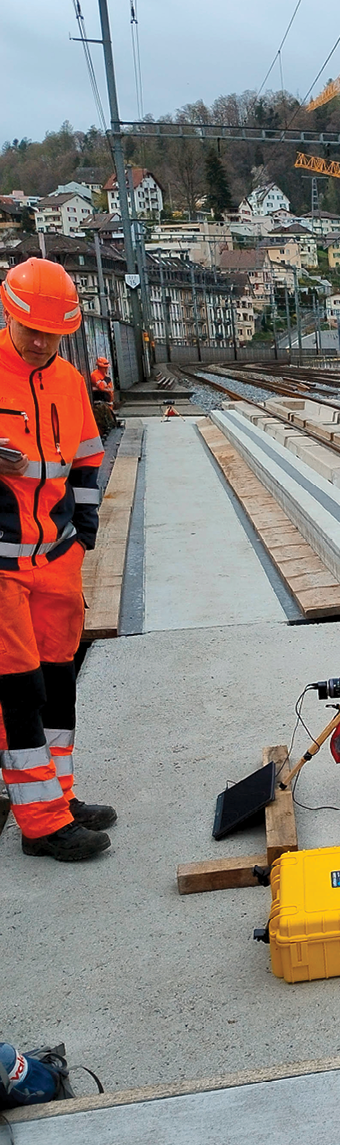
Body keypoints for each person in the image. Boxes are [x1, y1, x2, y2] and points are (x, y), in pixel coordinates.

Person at [0, 257, 115, 862]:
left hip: (56, 556)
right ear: (10, 315)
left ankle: (60, 796)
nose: (42, 342)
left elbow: (89, 454)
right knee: (18, 689)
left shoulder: (69, 380)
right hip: (2, 564)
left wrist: (85, 528)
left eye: (53, 332)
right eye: (32, 331)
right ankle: (40, 823)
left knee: (58, 680)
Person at [89, 355, 118, 435]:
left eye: (106, 367)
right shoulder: (95, 375)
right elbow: (101, 386)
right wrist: (107, 380)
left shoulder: (104, 375)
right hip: (102, 402)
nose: (106, 369)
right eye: (104, 367)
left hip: (108, 402)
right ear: (99, 367)